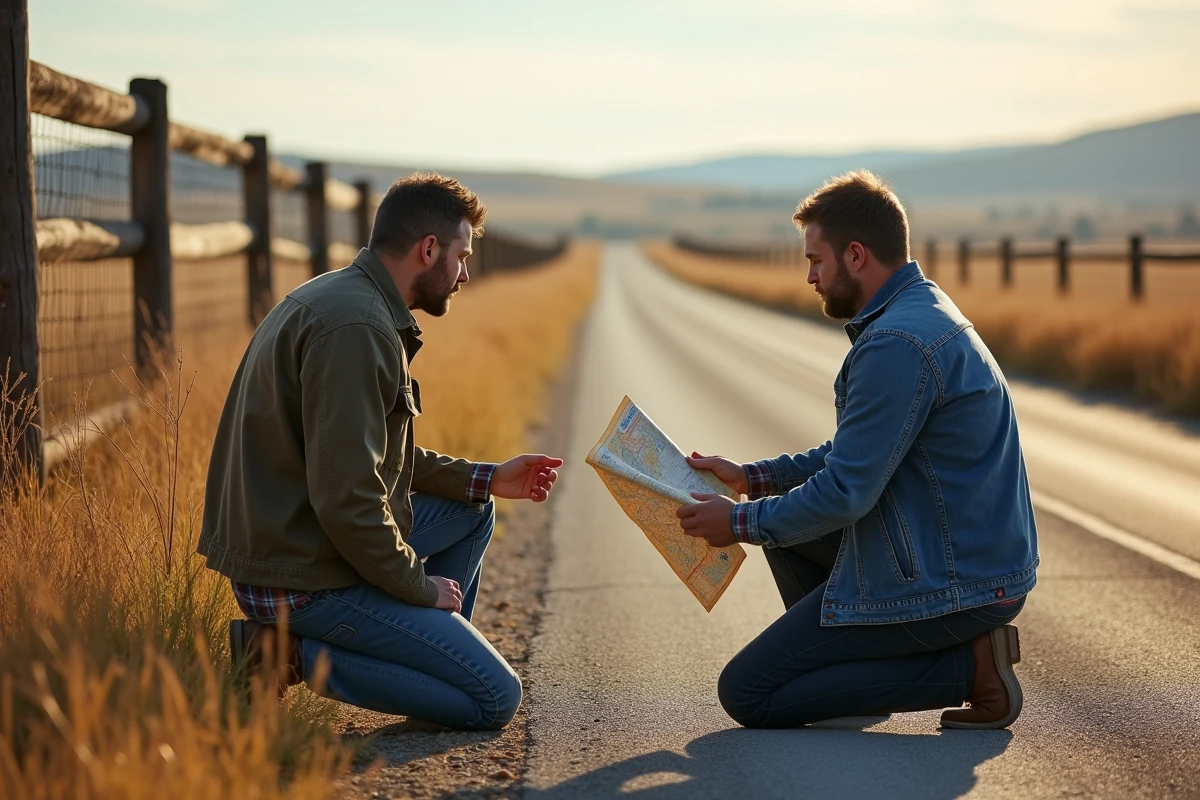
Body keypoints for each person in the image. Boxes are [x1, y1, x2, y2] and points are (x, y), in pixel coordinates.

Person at [198, 173, 562, 731]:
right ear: (429, 249)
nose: (465, 274)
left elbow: (372, 459)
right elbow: (348, 498)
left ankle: (428, 657)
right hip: (299, 577)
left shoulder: (349, 299)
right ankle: (282, 654)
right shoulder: (357, 328)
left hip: (302, 547)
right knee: (495, 698)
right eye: (462, 256)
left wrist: (488, 479)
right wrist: (417, 584)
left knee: (472, 509)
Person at [678, 170, 1038, 730]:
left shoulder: (897, 343)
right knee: (788, 525)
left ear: (855, 255)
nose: (810, 277)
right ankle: (859, 676)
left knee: (748, 693)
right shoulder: (918, 309)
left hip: (959, 581)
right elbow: (857, 452)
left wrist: (740, 521)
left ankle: (971, 670)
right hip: (965, 562)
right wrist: (754, 477)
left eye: (815, 261)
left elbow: (846, 492)